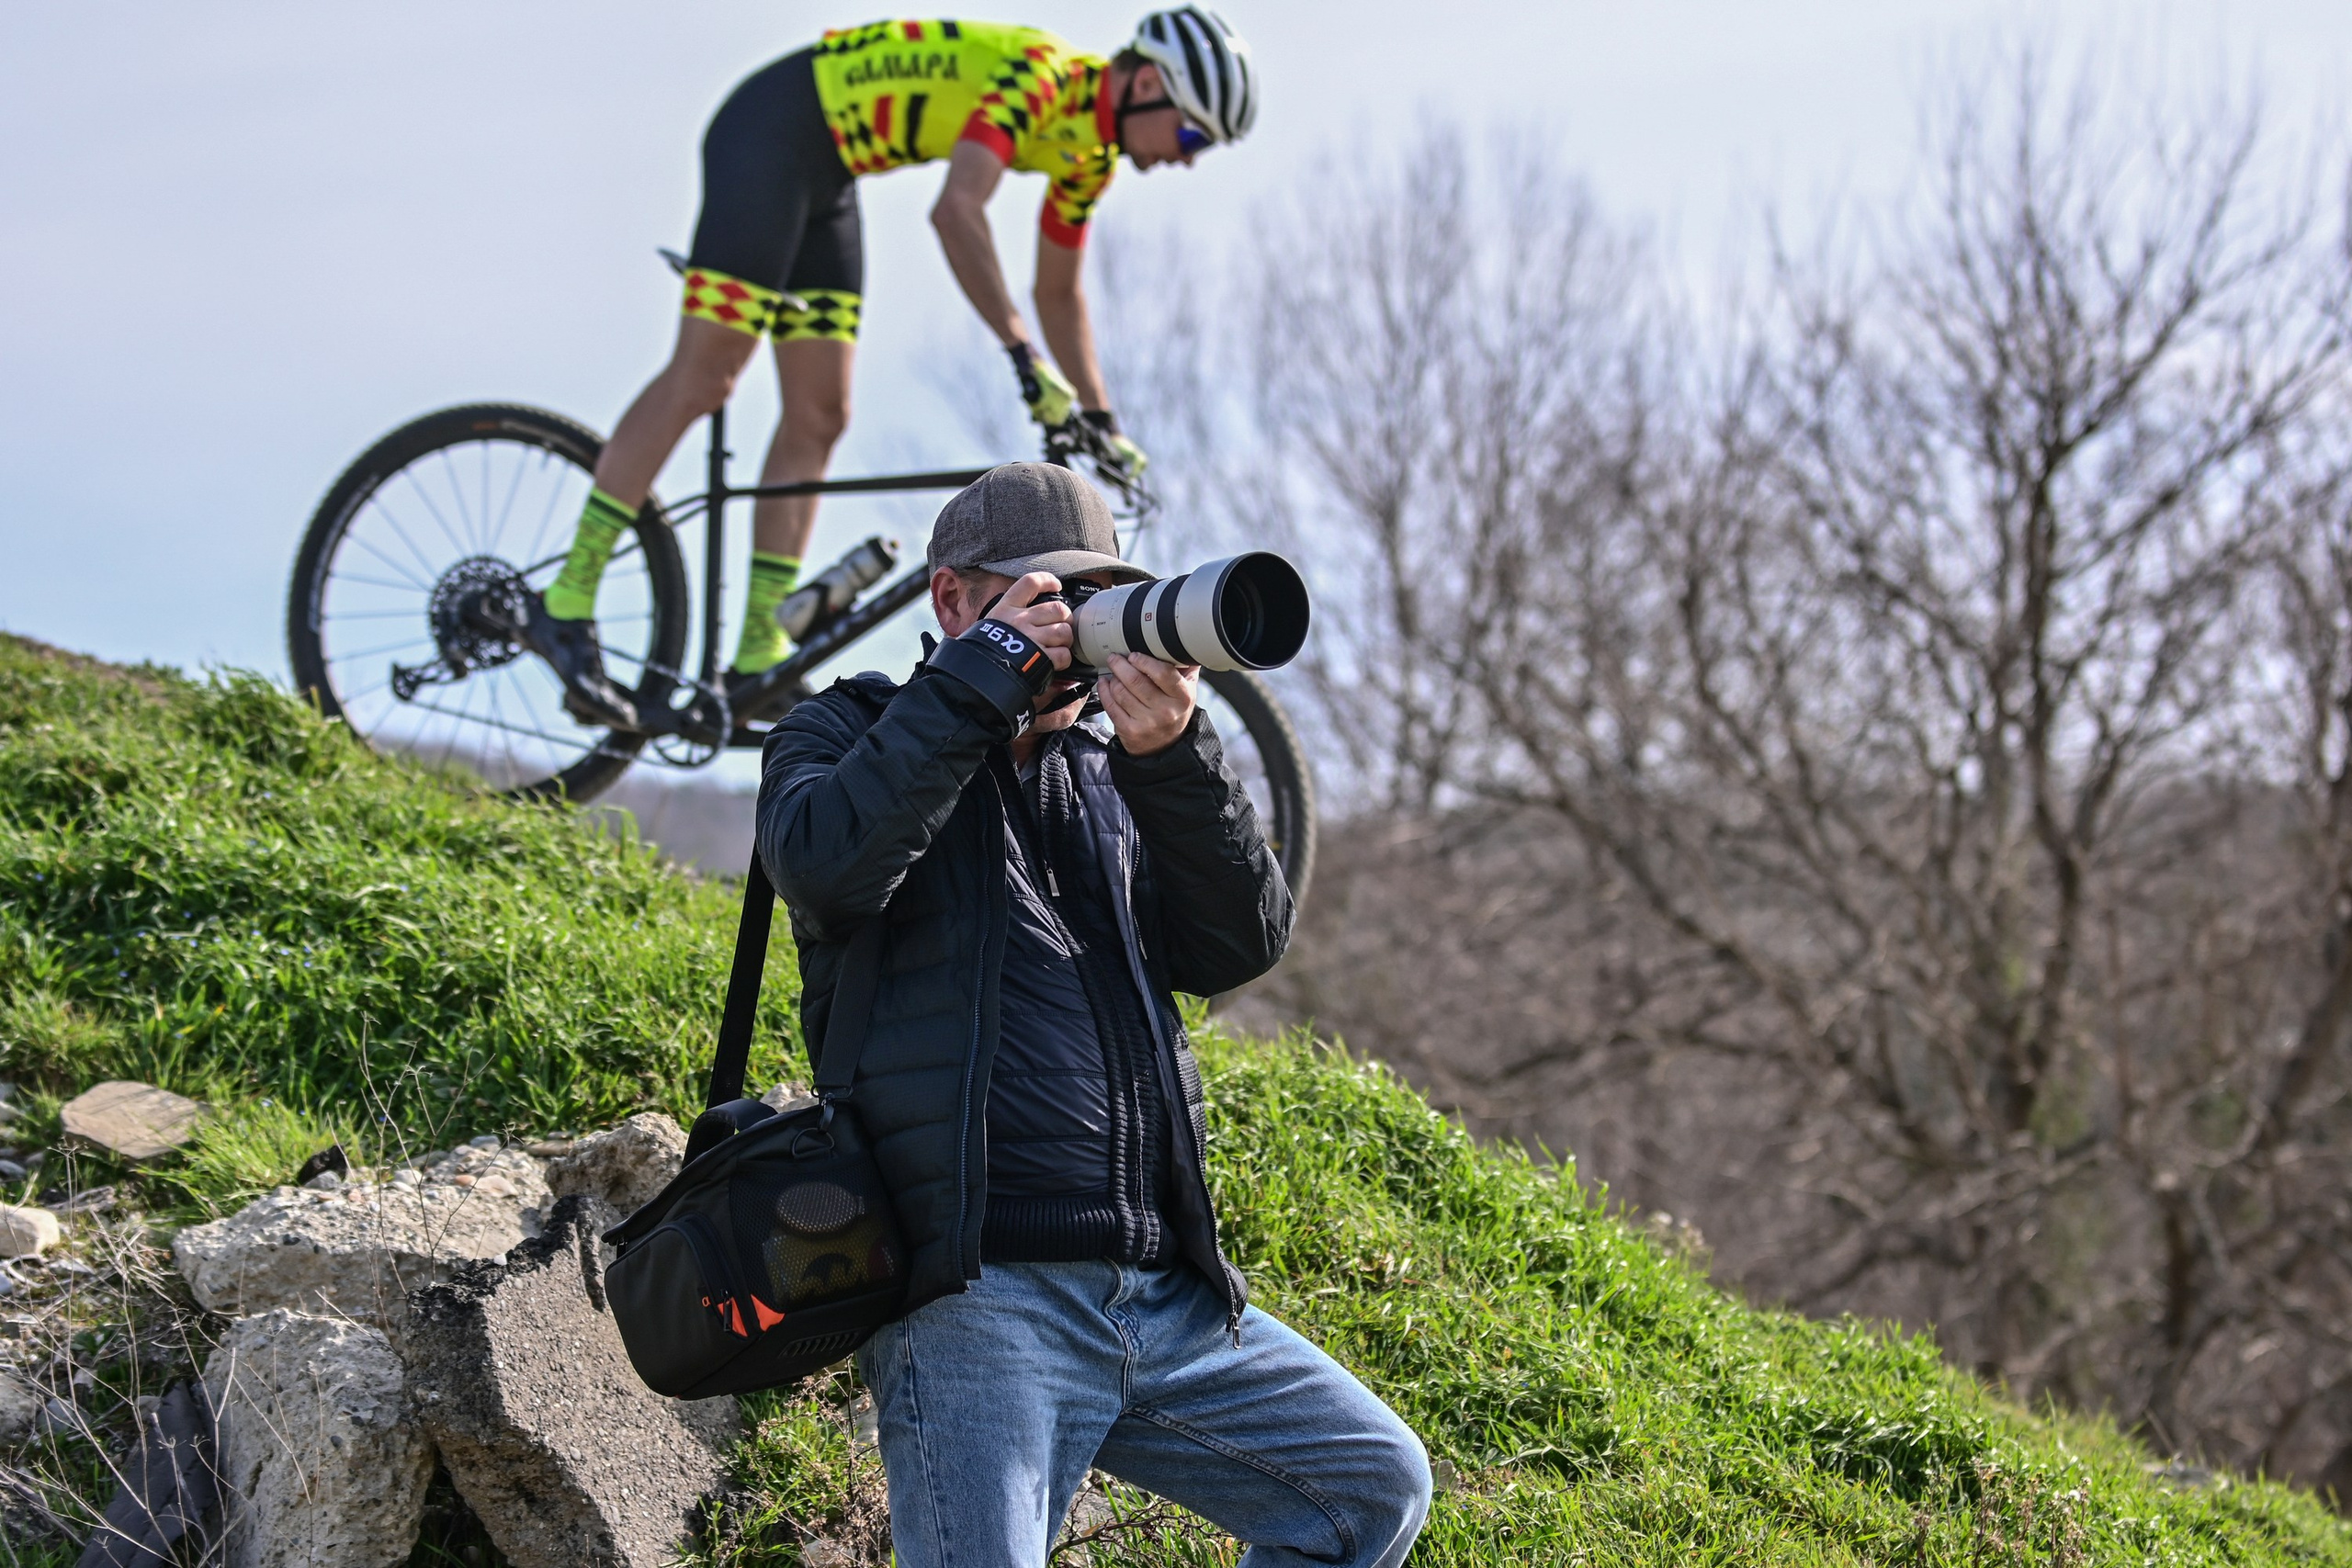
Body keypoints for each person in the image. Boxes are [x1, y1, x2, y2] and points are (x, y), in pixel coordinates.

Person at [756, 462, 1431, 1565]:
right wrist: (980, 686)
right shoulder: (849, 731)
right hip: (979, 1297)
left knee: (1367, 1489)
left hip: (1161, 1298)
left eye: (1097, 595)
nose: (1074, 624)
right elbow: (826, 870)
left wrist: (1172, 761)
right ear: (952, 600)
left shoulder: (1118, 777)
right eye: (1042, 597)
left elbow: (1237, 944)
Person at [515, 7, 1258, 731]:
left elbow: (1059, 293)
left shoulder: (1089, 155)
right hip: (774, 130)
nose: (1187, 155)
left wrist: (1098, 417)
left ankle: (755, 650)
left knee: (820, 413)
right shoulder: (1044, 77)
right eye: (1192, 130)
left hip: (830, 173)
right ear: (1146, 83)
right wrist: (1021, 355)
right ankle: (568, 597)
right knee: (708, 375)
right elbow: (957, 208)